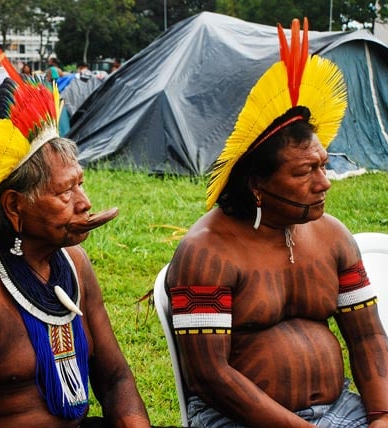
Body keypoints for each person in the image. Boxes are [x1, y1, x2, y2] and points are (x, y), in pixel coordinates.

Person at [0, 45, 151, 428]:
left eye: (80, 185)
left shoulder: (73, 263)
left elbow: (115, 378)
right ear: (15, 207)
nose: (84, 203)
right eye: (65, 192)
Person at [165, 18, 388, 427]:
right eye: (305, 172)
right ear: (256, 185)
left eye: (324, 166)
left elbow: (367, 336)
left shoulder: (333, 237)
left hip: (341, 411)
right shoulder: (207, 252)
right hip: (234, 419)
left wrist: (380, 415)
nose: (323, 184)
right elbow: (210, 376)